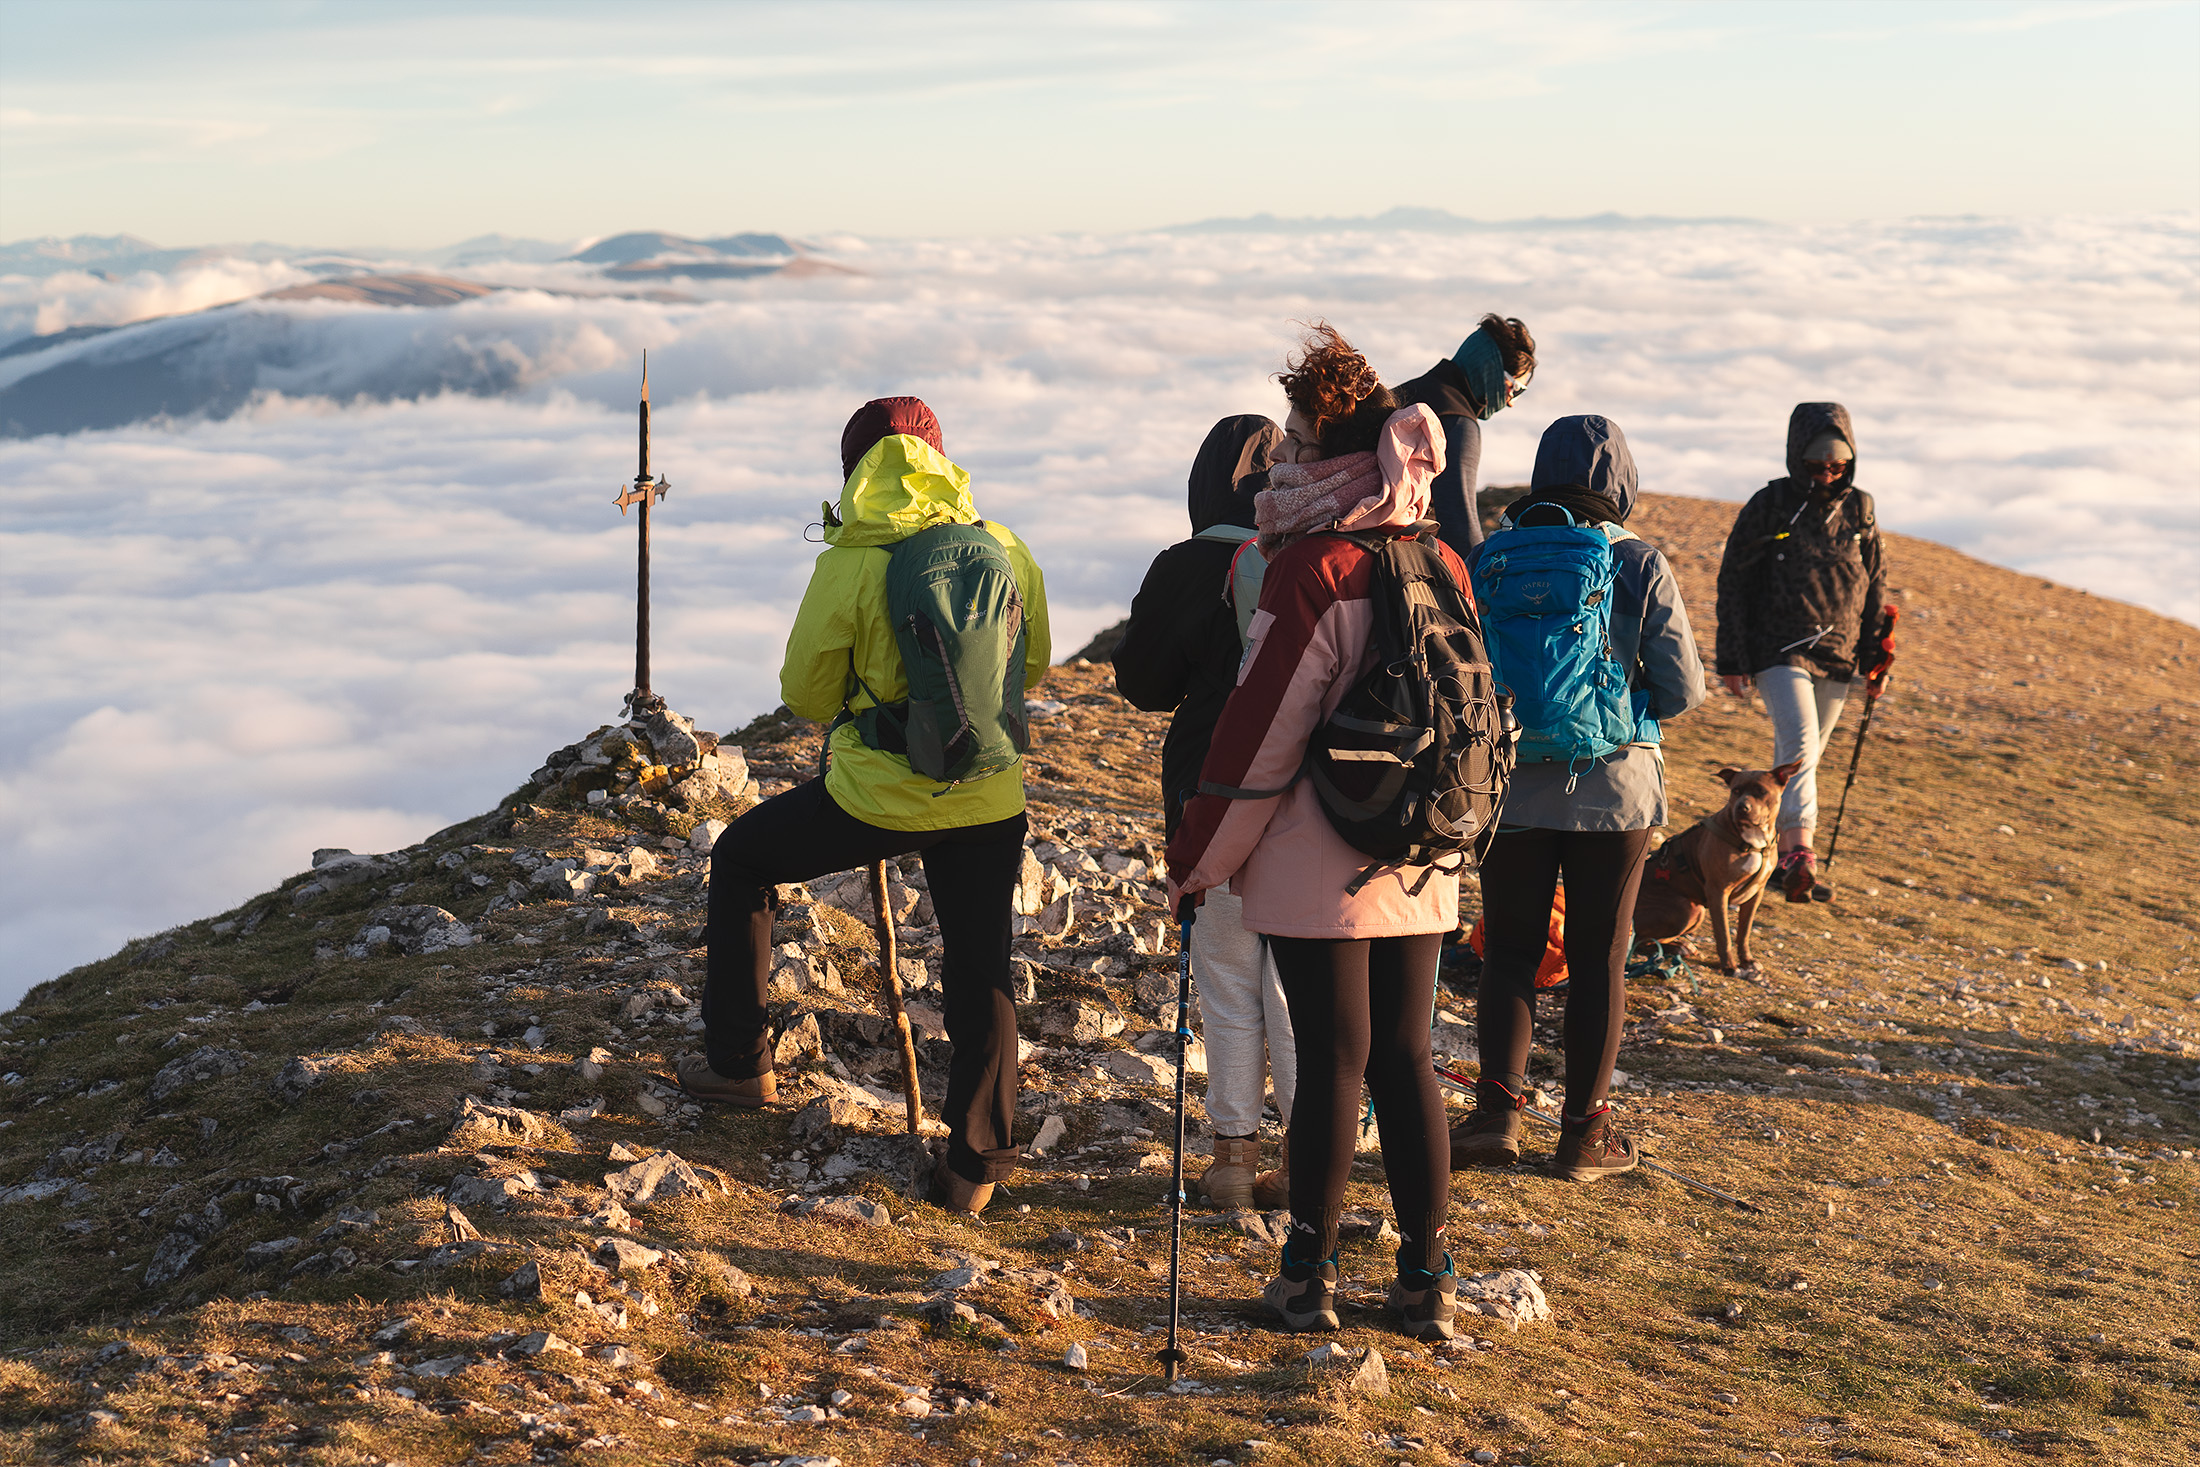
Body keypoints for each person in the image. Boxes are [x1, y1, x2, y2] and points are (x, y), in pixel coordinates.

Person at [680, 397, 1052, 1217]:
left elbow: (805, 692)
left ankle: (741, 1064)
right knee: (980, 964)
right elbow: (1033, 666)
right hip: (987, 796)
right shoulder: (1004, 546)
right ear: (942, 458)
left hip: (874, 797)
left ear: (855, 471)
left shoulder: (851, 561)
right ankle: (975, 1166)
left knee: (742, 859)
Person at [1166, 324, 1461, 1341]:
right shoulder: (1439, 559)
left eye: (1294, 441)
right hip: (1422, 854)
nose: (1280, 457)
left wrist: (1198, 860)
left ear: (1333, 456)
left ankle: (1310, 1276)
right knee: (1406, 1060)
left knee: (1336, 1058)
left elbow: (1259, 738)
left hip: (1319, 862)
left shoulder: (1313, 569)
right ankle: (1426, 1279)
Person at [1452, 415, 1705, 1181]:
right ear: (1620, 480)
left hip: (1509, 788)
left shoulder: (1490, 556)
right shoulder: (1637, 562)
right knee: (1599, 958)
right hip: (1615, 790)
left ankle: (1496, 1114)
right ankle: (1582, 1136)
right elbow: (1682, 687)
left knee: (1511, 954)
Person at [1114, 415, 1297, 1210]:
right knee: (1294, 986)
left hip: (1207, 794)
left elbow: (1145, 683)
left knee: (1225, 980)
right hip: (1299, 800)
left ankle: (1229, 1159)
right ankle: (1303, 1160)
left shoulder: (1185, 565)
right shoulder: (1307, 556)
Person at [1712, 403, 1890, 903]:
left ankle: (1775, 858)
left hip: (1839, 654)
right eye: (1816, 466)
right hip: (1778, 649)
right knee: (1801, 749)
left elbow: (1876, 584)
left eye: (1836, 466)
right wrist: (1733, 658)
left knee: (1804, 761)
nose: (1826, 475)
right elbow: (1735, 580)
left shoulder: (1861, 508)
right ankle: (1798, 855)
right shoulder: (1770, 504)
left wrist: (1877, 658)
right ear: (1796, 458)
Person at [1391, 313, 1538, 561]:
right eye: (1516, 388)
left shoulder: (1403, 395)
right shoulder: (1457, 424)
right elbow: (1459, 527)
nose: (1511, 402)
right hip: (1399, 563)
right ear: (1491, 370)